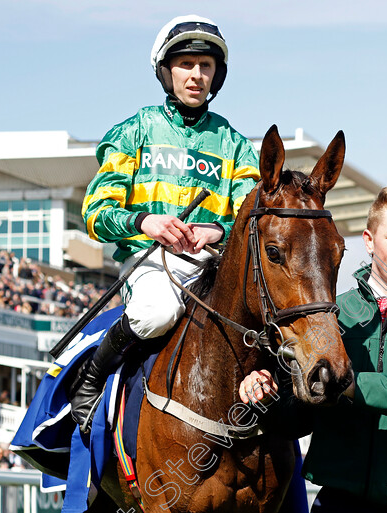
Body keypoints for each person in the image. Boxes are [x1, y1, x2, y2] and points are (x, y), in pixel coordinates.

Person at [70, 14, 260, 432]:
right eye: (186, 64)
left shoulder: (236, 146)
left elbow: (253, 222)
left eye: (205, 66)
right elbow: (95, 214)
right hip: (150, 261)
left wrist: (220, 231)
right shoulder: (133, 131)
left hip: (213, 264)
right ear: (165, 70)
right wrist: (146, 221)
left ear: (217, 75)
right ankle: (91, 378)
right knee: (156, 313)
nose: (196, 75)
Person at [240, 186, 387, 512]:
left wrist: (350, 384)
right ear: (369, 241)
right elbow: (298, 416)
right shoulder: (326, 318)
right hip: (339, 503)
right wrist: (266, 396)